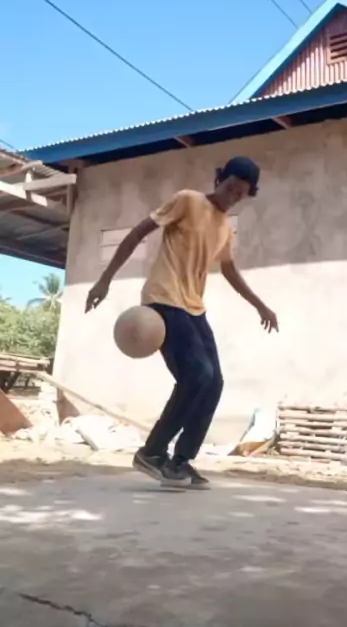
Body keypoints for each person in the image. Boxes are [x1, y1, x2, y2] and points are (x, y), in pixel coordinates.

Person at [85, 156, 278, 489]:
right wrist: (105, 280)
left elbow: (230, 271)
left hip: (193, 308)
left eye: (241, 194)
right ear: (219, 179)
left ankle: (181, 461)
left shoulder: (225, 228)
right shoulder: (188, 200)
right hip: (164, 298)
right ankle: (152, 453)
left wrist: (260, 305)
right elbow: (138, 233)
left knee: (214, 383)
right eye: (230, 187)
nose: (233, 196)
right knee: (197, 375)